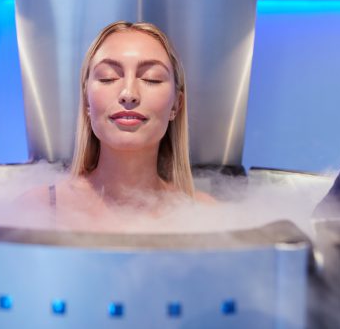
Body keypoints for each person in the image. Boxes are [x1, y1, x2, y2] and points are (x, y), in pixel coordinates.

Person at [17, 20, 217, 231]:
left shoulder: (206, 216)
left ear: (176, 104)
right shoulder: (36, 209)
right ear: (86, 101)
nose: (128, 94)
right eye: (107, 78)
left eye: (152, 79)